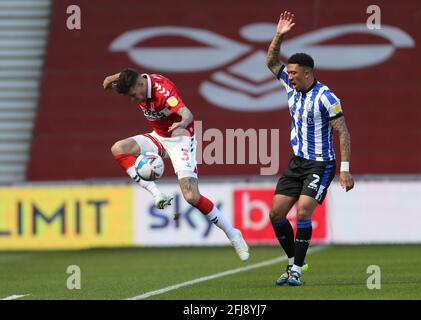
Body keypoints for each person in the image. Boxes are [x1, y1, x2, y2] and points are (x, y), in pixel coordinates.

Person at [102, 69, 249, 261]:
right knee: (118, 148)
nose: (133, 99)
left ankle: (232, 233)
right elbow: (106, 82)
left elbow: (188, 114)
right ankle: (157, 194)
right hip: (159, 138)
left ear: (139, 84)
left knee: (191, 197)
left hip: (180, 138)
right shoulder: (134, 83)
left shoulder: (162, 91)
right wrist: (115, 78)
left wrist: (180, 125)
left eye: (133, 95)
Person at [266, 11, 354, 285]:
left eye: (293, 73)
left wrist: (344, 170)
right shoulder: (290, 87)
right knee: (276, 214)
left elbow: (343, 132)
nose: (289, 76)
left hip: (321, 164)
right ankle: (295, 263)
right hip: (297, 162)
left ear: (307, 73)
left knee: (303, 211)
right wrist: (279, 35)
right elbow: (271, 61)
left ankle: (295, 271)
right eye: (288, 73)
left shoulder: (327, 98)